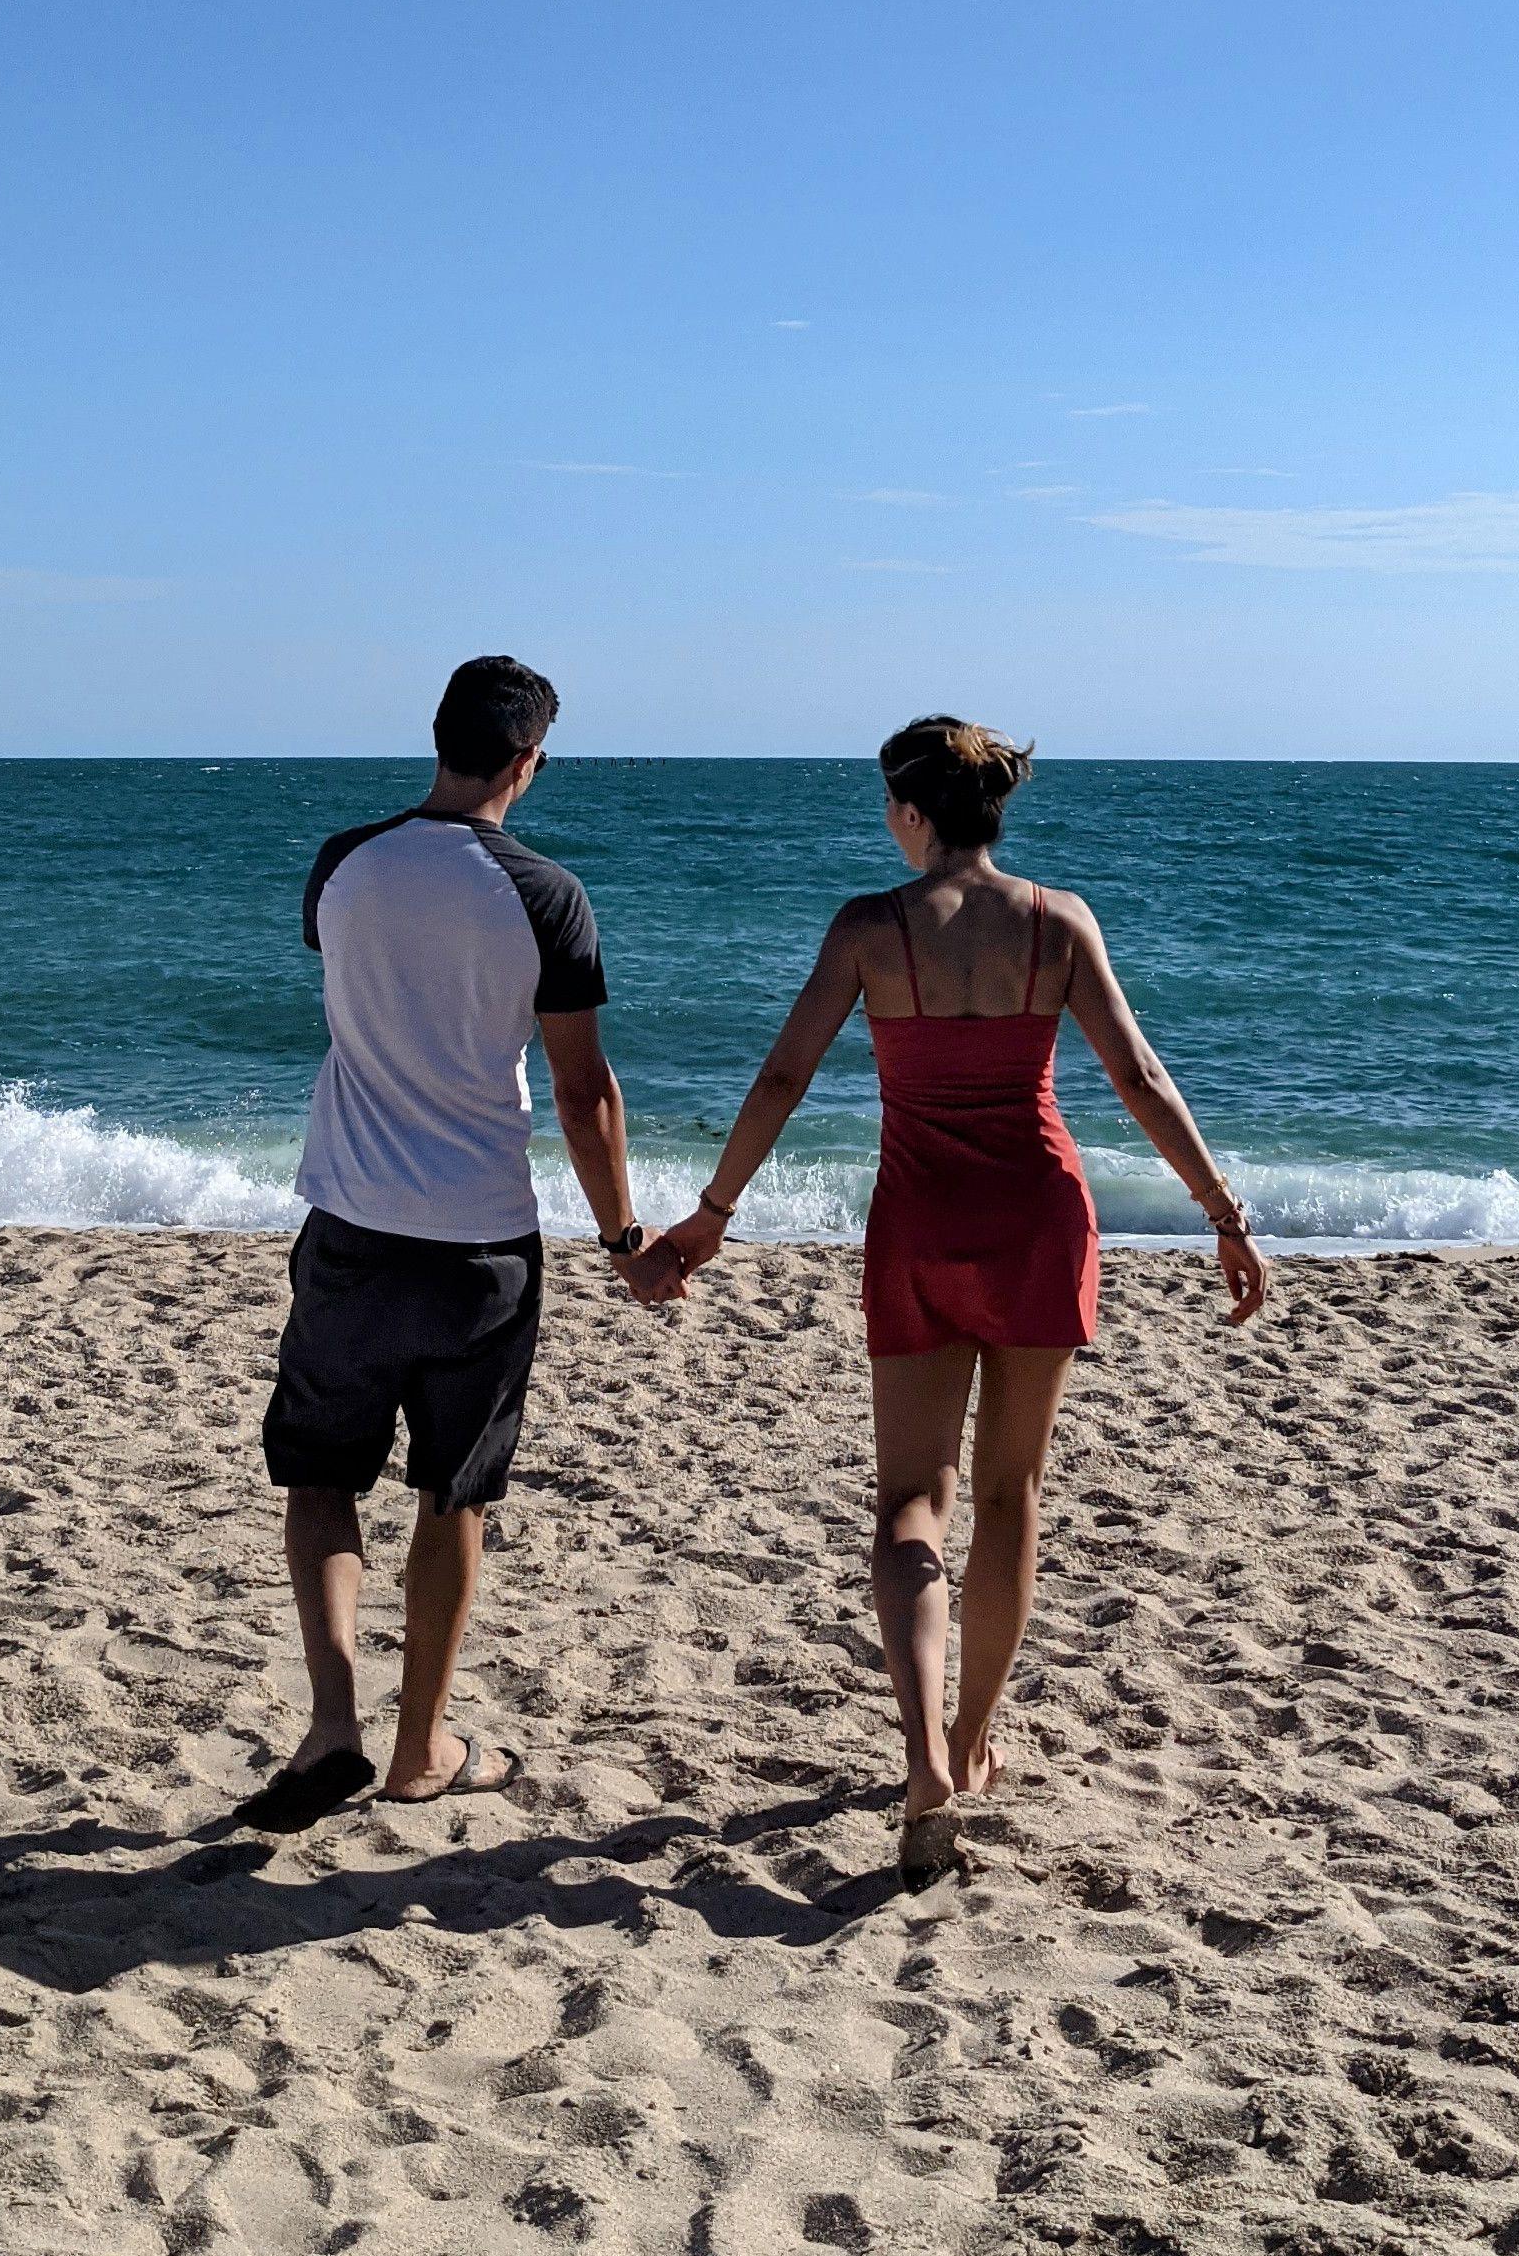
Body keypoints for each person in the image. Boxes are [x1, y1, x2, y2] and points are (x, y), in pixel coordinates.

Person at [635, 715, 1267, 1879]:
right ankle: (972, 1742)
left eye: (889, 803)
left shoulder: (869, 928)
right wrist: (1222, 1213)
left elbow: (784, 1074)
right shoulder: (1058, 922)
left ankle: (924, 1747)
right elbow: (1138, 1074)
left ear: (913, 812)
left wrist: (713, 1213)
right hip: (1037, 1218)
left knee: (908, 1504)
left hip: (921, 1222)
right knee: (1011, 1494)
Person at [245, 654, 669, 1832]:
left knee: (321, 1478)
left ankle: (333, 1724)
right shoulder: (547, 893)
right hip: (480, 1241)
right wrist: (625, 1238)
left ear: (437, 737)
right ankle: (421, 1746)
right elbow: (584, 1092)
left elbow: (369, 981)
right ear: (529, 761)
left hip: (352, 1226)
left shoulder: (345, 864)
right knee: (453, 1494)